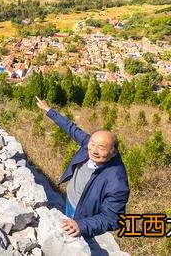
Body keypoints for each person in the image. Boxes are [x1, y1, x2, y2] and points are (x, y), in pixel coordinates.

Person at [35, 97, 130, 238]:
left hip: (83, 215)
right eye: (92, 144)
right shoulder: (88, 144)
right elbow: (70, 128)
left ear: (113, 152)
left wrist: (83, 225)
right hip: (70, 201)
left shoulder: (116, 180)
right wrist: (48, 110)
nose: (94, 150)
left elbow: (113, 218)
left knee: (78, 243)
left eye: (101, 147)